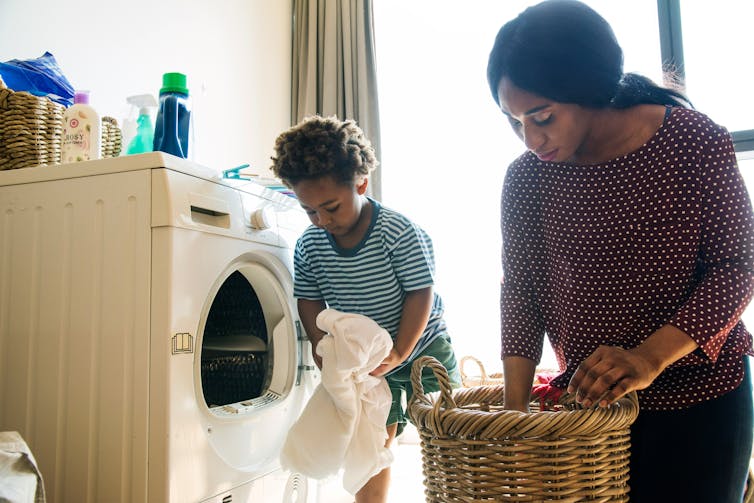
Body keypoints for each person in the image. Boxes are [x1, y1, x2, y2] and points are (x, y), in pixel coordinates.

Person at [486, 1, 754, 501]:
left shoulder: (693, 142)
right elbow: (521, 292)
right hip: (593, 418)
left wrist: (648, 358)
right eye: (513, 121)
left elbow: (736, 268)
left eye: (542, 117)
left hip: (700, 399)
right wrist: (515, 415)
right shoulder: (527, 178)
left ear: (590, 88)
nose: (530, 138)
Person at [270, 115, 461, 503]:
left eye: (331, 208)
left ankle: (457, 492)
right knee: (372, 439)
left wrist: (400, 352)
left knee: (448, 426)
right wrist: (322, 348)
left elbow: (419, 294)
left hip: (422, 344)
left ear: (361, 183)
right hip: (366, 358)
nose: (321, 221)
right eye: (310, 212)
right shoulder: (310, 246)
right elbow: (308, 299)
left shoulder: (397, 232)